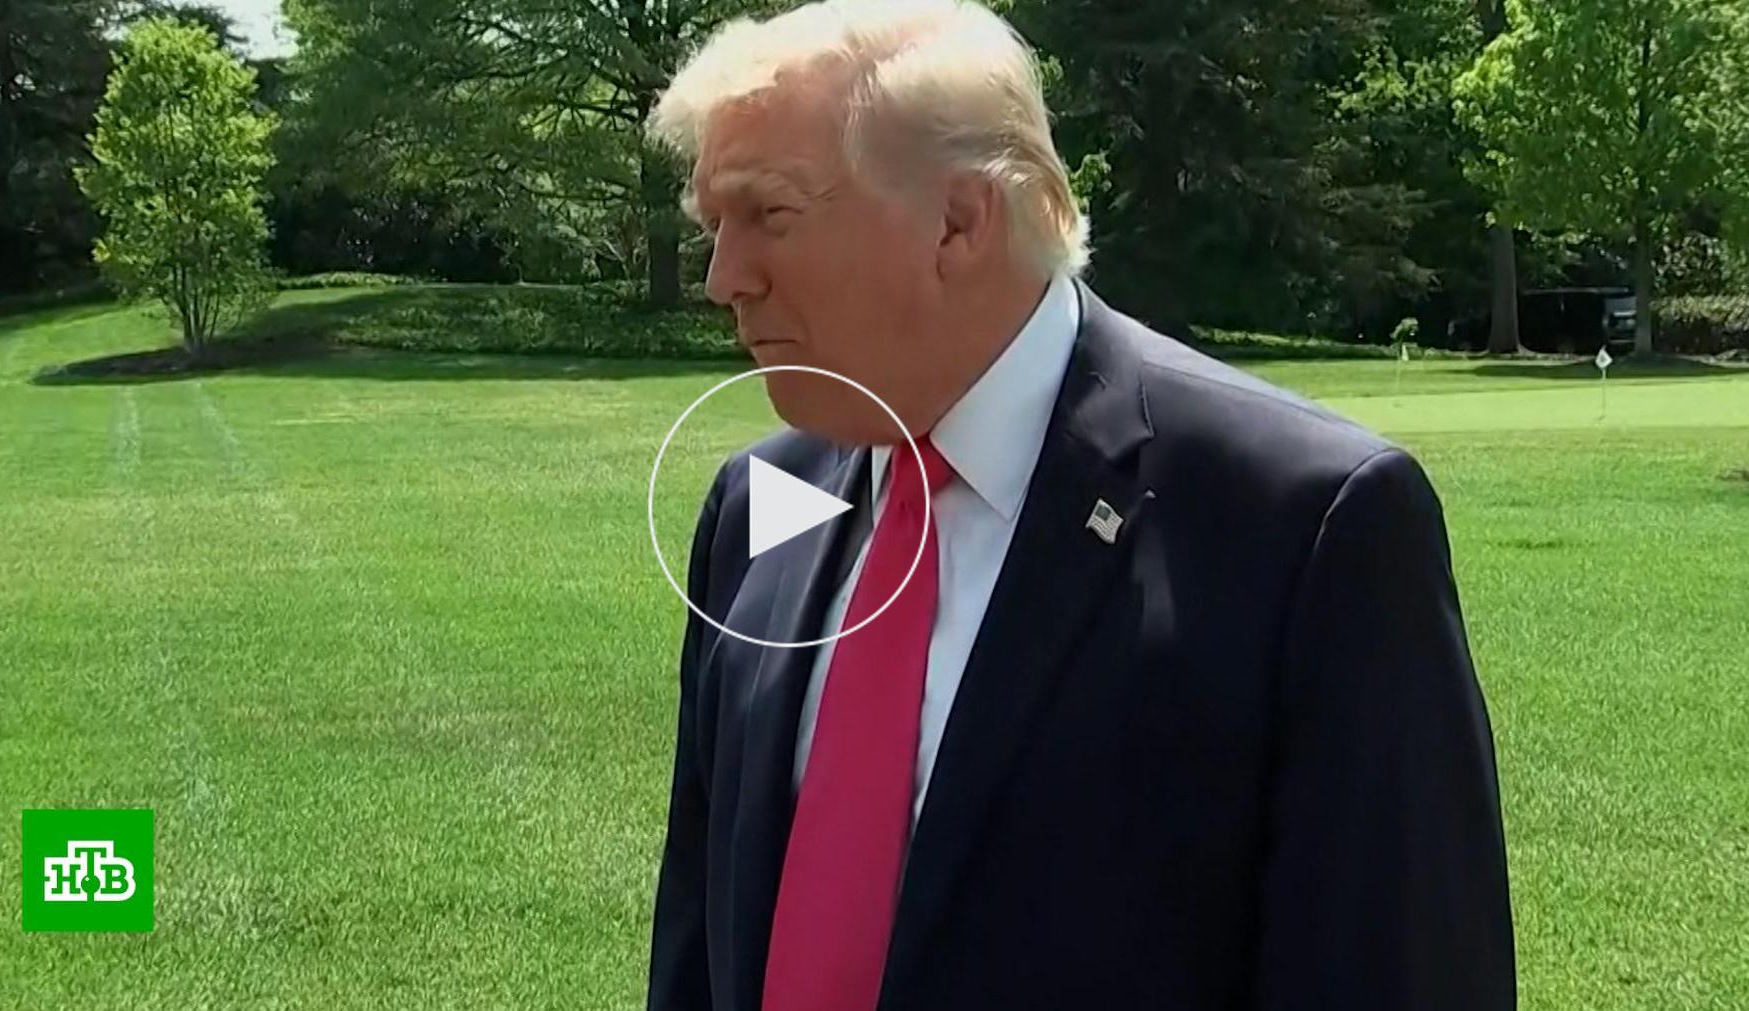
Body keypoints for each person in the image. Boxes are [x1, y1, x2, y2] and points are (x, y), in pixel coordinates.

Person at [642, 2, 1516, 1009]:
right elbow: (698, 949)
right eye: (713, 227)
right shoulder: (759, 506)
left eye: (768, 215)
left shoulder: (1307, 527)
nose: (723, 279)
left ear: (958, 222)